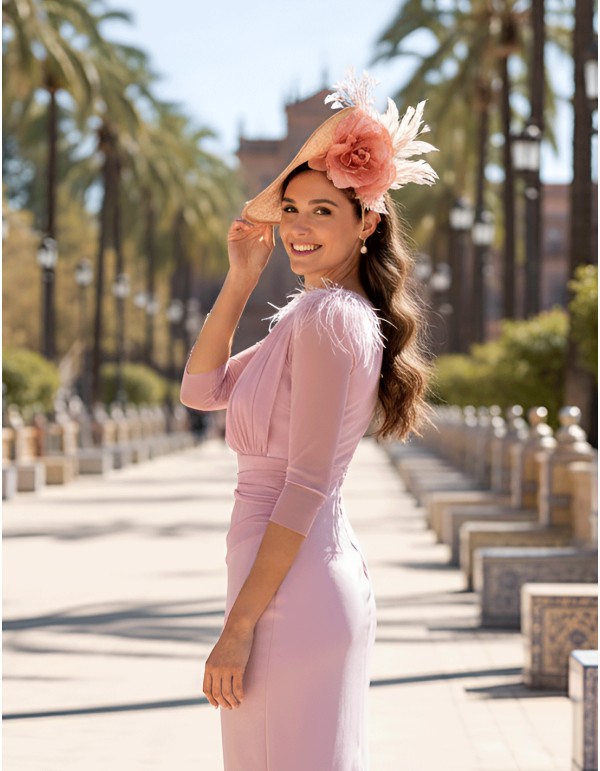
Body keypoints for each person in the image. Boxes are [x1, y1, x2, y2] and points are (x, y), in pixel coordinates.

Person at [180, 70, 439, 771]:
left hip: (289, 599)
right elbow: (201, 390)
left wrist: (237, 630)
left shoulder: (329, 320)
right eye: (290, 207)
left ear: (367, 223)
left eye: (322, 210)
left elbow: (305, 486)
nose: (296, 226)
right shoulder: (309, 316)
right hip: (286, 585)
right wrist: (239, 280)